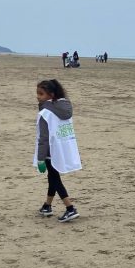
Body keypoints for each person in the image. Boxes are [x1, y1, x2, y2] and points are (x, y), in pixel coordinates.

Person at [34, 79, 82, 222]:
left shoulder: (45, 113)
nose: (38, 96)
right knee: (52, 177)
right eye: (37, 93)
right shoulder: (65, 107)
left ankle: (70, 208)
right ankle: (47, 206)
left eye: (41, 94)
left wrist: (40, 158)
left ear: (51, 95)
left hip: (50, 150)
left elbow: (43, 138)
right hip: (62, 148)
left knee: (55, 179)